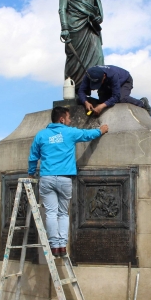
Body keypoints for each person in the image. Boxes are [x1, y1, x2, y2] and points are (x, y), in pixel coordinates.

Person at [28, 106, 108, 257]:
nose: (70, 121)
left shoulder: (41, 135)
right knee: (63, 214)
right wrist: (101, 130)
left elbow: (33, 156)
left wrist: (31, 173)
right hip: (65, 178)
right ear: (62, 119)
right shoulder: (69, 132)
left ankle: (54, 246)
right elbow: (87, 134)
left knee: (51, 213)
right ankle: (62, 245)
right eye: (69, 118)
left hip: (47, 178)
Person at [58, 0, 104, 83]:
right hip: (75, 26)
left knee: (98, 58)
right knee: (74, 60)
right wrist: (64, 28)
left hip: (91, 26)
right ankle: (74, 89)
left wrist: (97, 17)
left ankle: (98, 88)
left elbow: (97, 9)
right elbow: (62, 8)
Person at [77, 65, 151, 116]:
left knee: (121, 98)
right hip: (107, 84)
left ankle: (142, 102)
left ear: (104, 76)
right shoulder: (88, 74)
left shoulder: (113, 74)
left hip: (124, 81)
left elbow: (116, 96)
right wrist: (85, 102)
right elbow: (81, 91)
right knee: (103, 101)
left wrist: (102, 106)